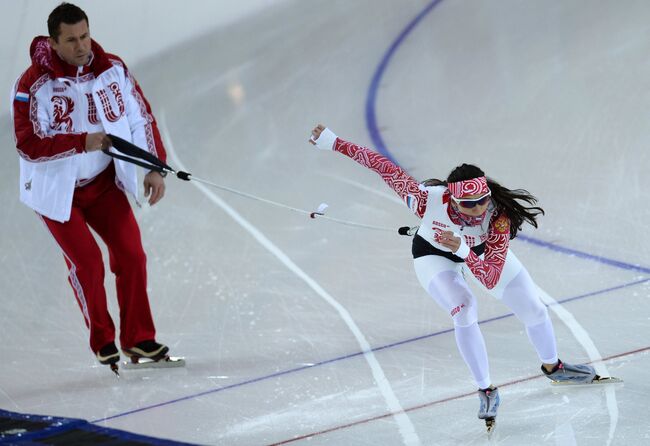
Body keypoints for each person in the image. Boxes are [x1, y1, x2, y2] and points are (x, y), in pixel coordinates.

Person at [308, 124, 601, 428]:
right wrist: (333, 142)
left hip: (478, 253)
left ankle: (554, 367)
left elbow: (489, 278)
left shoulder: (497, 216)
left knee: (534, 308)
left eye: (482, 201)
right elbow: (381, 166)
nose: (476, 210)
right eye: (467, 204)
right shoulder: (424, 199)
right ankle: (486, 388)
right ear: (451, 198)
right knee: (464, 308)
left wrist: (464, 249)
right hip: (434, 256)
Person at [10, 2, 174, 372]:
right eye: (70, 40)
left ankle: (138, 339)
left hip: (103, 184)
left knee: (132, 256)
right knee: (87, 263)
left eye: (84, 35)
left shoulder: (112, 69)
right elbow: (28, 144)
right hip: (58, 192)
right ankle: (103, 341)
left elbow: (139, 116)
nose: (81, 46)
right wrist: (80, 141)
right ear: (53, 42)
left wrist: (154, 167)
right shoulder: (31, 85)